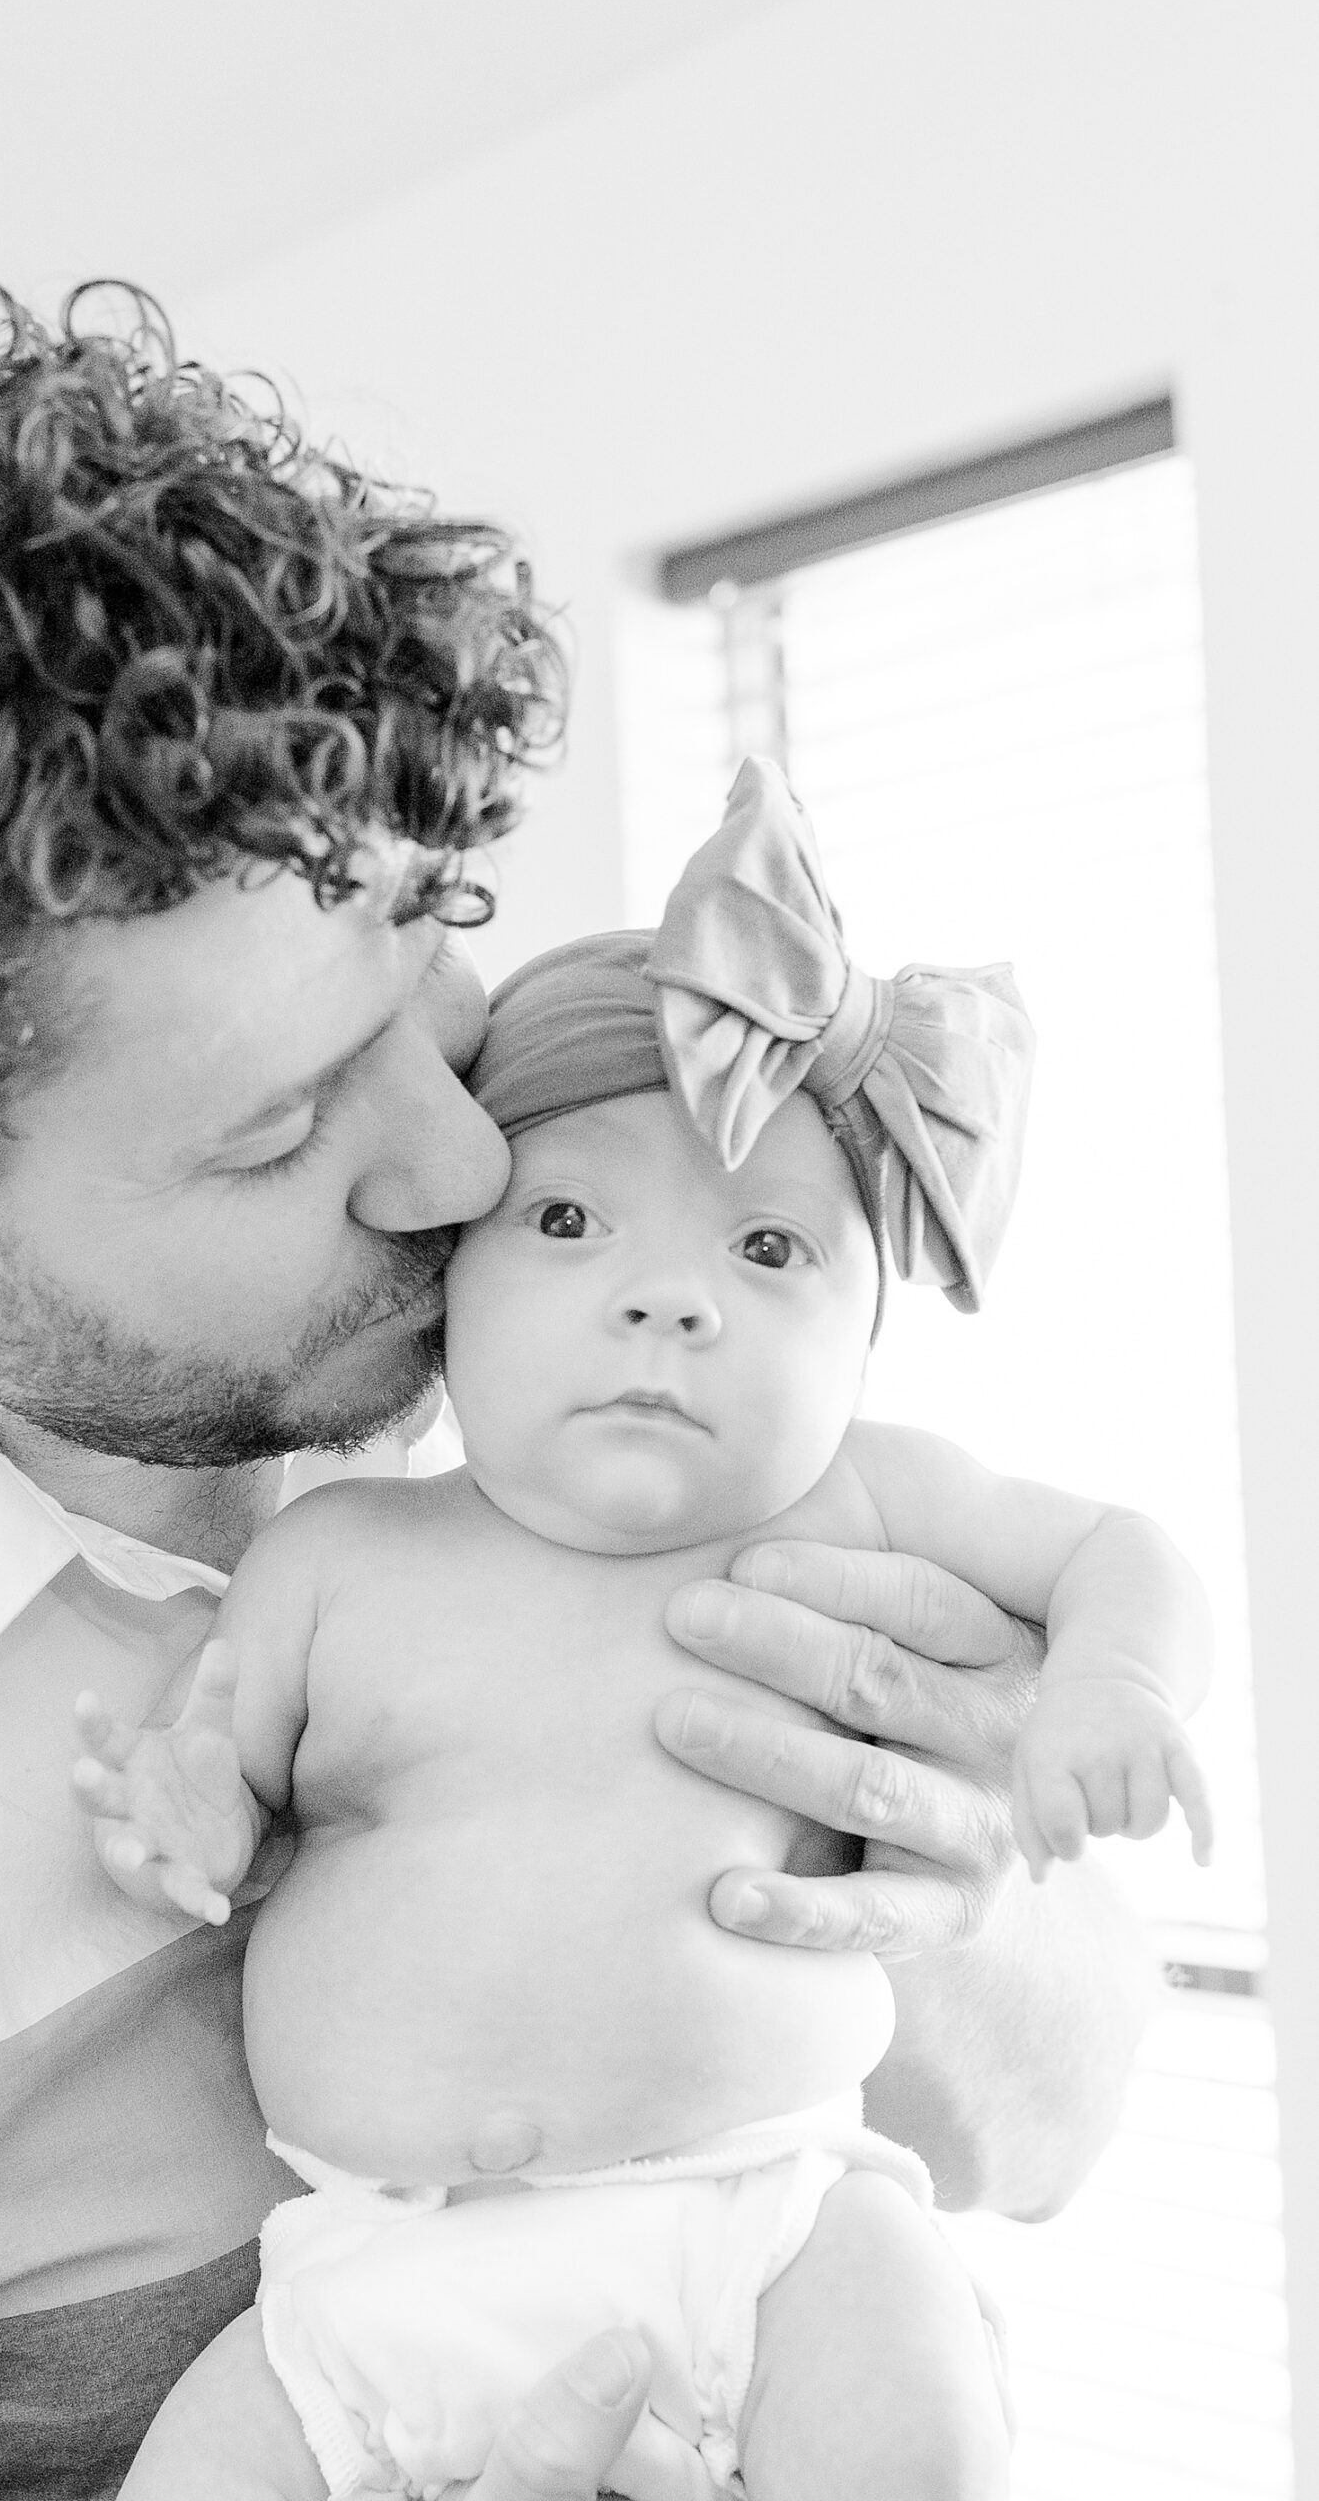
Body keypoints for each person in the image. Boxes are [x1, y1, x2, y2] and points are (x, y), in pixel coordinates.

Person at [0, 290, 1157, 2501]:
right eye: (274, 1130)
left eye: (426, 958)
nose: (455, 1163)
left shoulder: (605, 1316)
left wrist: (942, 1857)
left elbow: (1046, 2123)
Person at [72, 760, 1210, 2500]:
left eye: (767, 1247)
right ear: (447, 1288)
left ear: (866, 1336)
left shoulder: (864, 1505)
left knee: (920, 2437)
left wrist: (1111, 1686)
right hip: (367, 2278)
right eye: (569, 1220)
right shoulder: (340, 1554)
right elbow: (224, 1781)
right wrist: (191, 1821)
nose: (667, 1294)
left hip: (762, 2228)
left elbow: (1121, 1549)